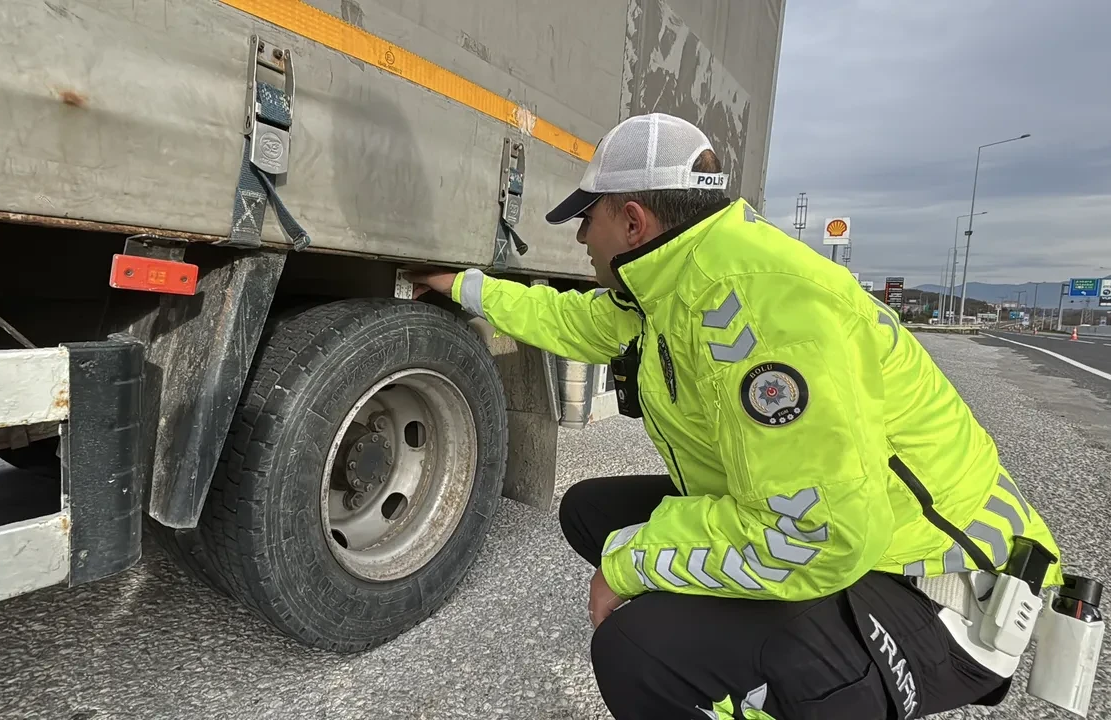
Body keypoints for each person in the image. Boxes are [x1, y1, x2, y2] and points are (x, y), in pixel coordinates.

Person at [405, 113, 1064, 720]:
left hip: (942, 596)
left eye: (588, 217)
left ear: (633, 222)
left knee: (636, 652)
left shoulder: (756, 309)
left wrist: (633, 564)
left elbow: (819, 535)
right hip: (863, 537)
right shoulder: (677, 278)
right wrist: (464, 286)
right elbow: (573, 320)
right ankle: (725, 631)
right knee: (590, 514)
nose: (579, 236)